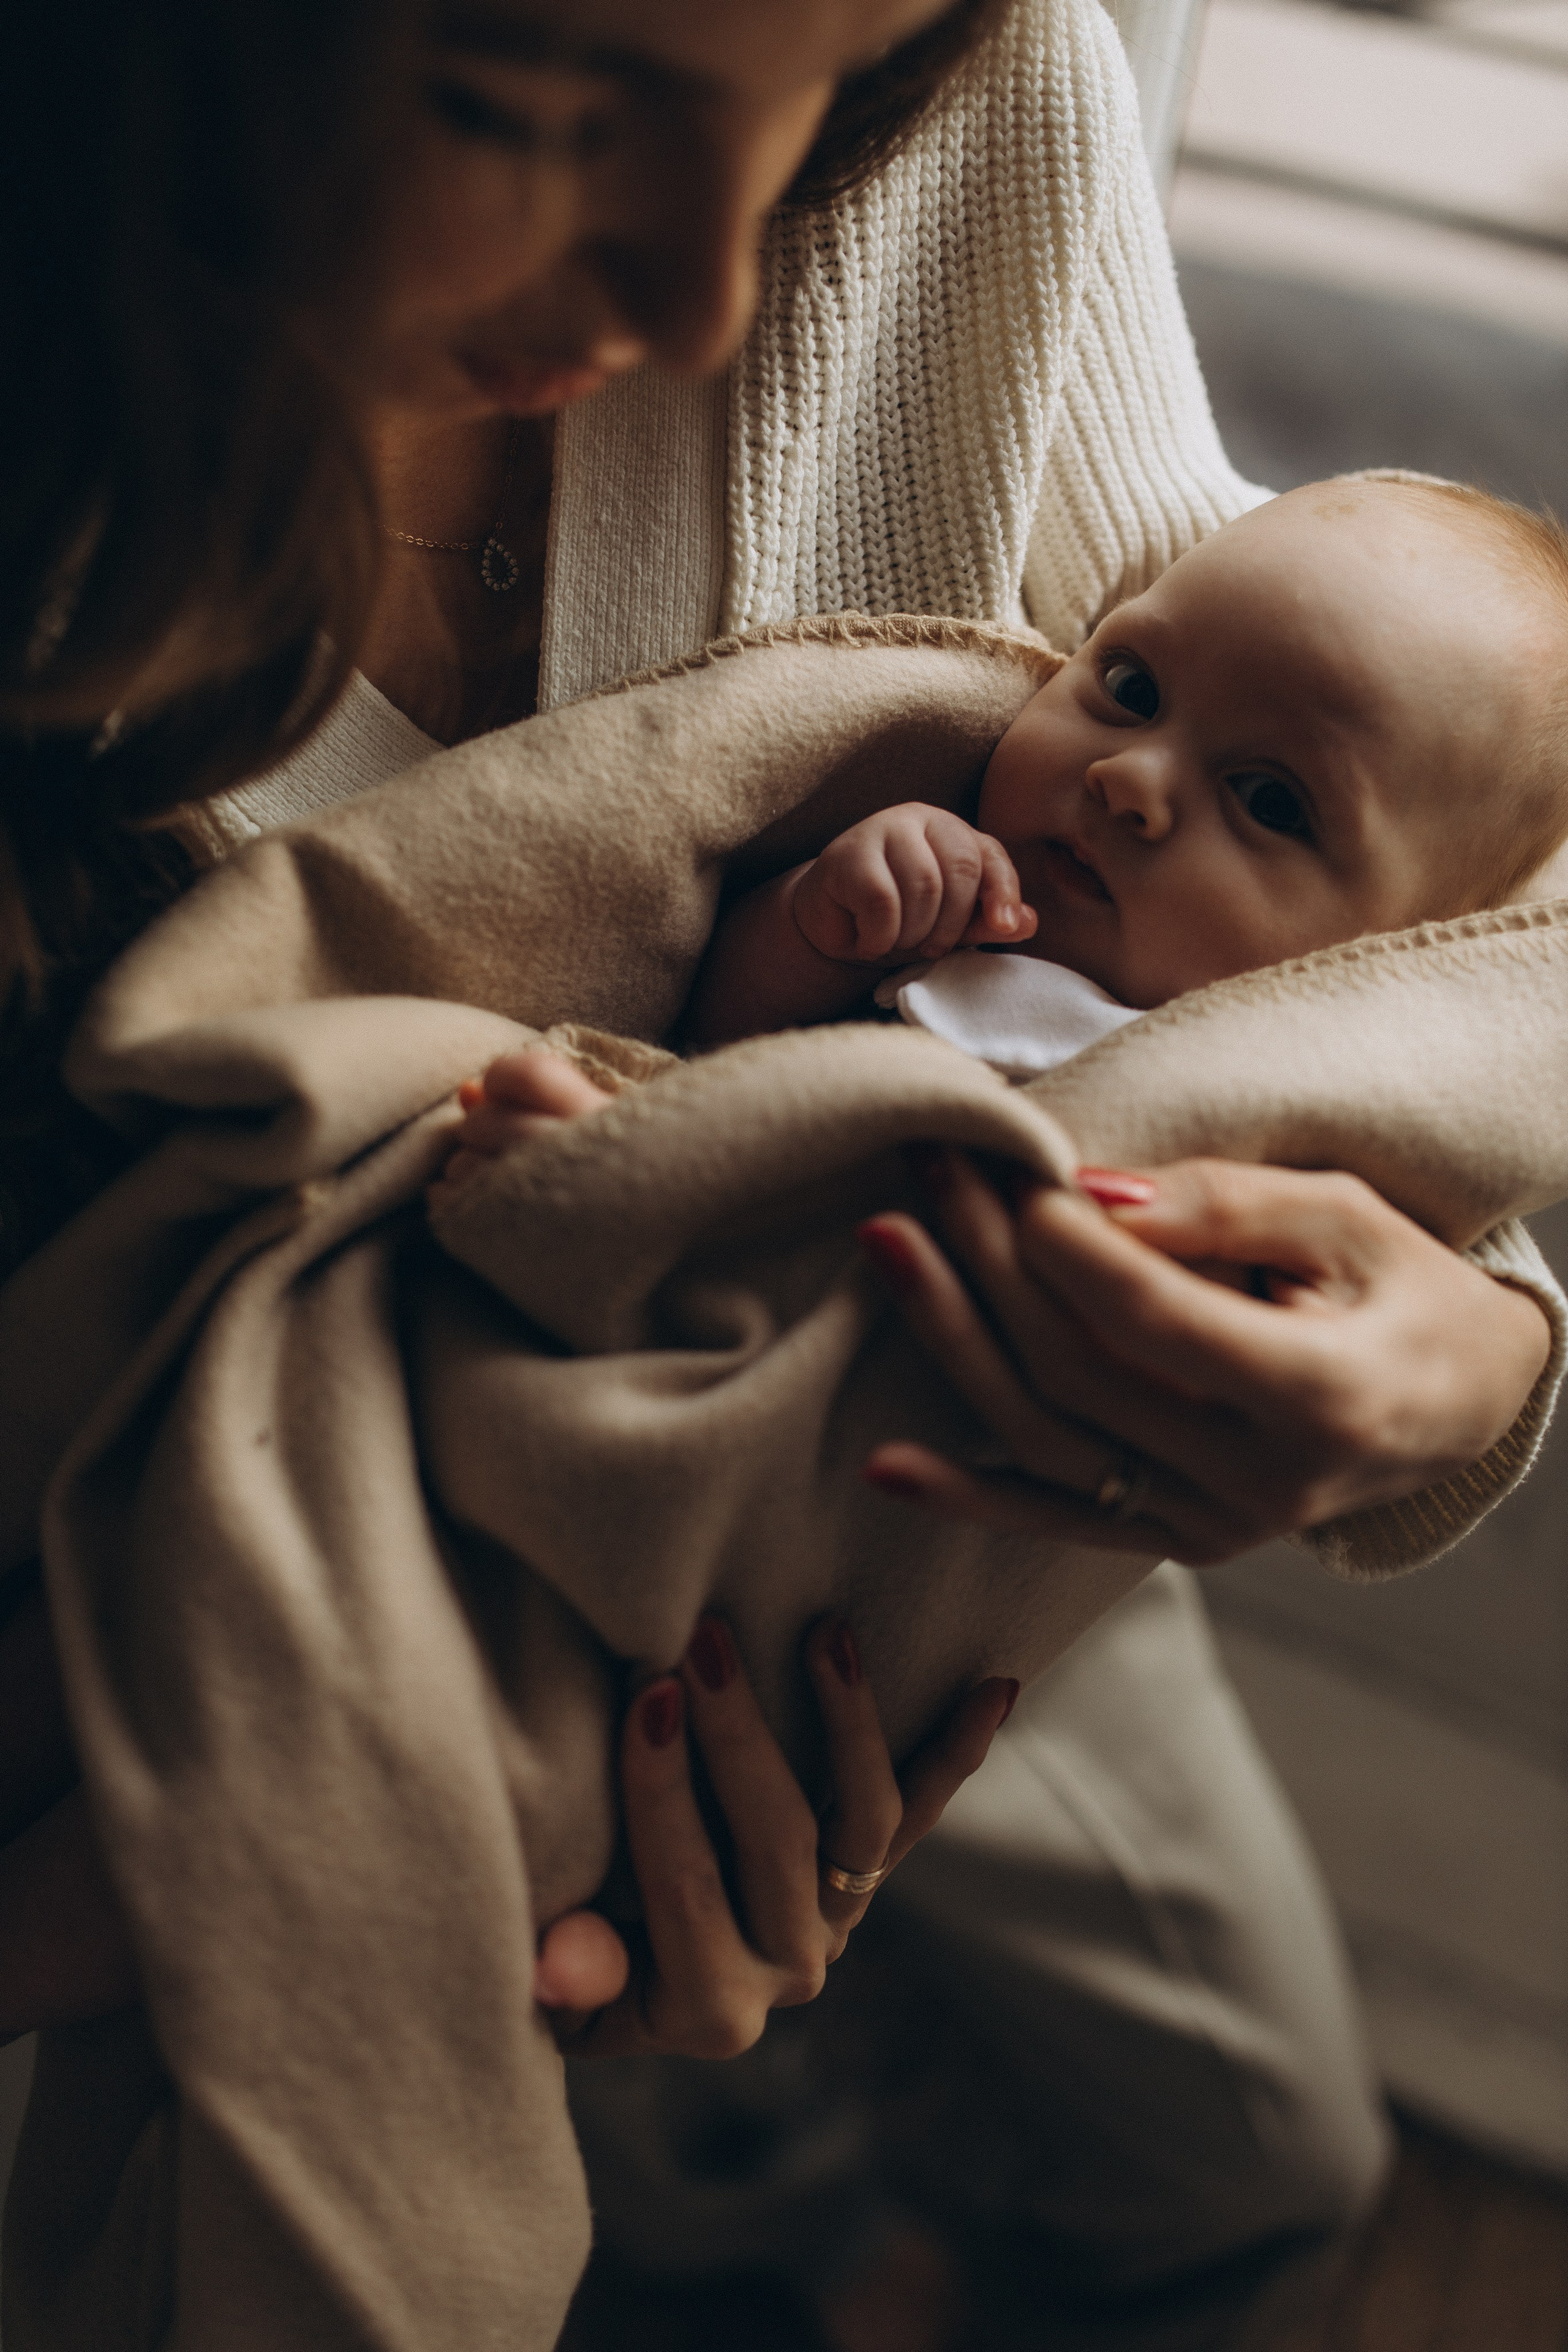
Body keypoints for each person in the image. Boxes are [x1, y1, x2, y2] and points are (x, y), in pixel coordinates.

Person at [2, 1, 1560, 2345]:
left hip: (962, 1489)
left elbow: (1415, 805)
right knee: (487, 2059)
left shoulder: (977, 92)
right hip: (385, 1550)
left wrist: (1480, 1334)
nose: (720, 304)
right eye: (530, 110)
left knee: (1246, 2160)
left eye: (832, 108)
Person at [684, 474, 1568, 1044]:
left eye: (1268, 800)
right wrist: (818, 923)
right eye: (1132, 689)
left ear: (1399, 950)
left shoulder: (1300, 1091)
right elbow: (700, 1040)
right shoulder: (939, 924)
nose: (1130, 778)